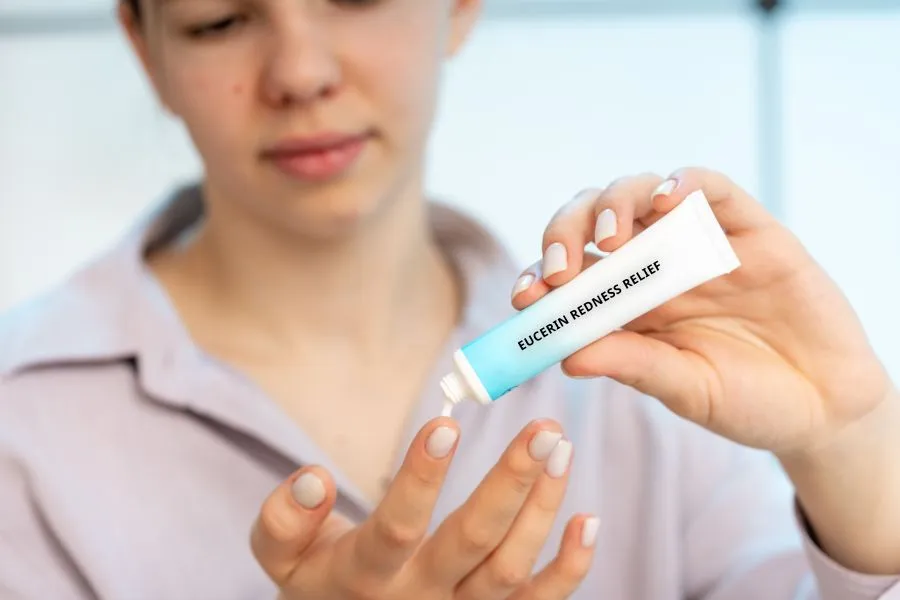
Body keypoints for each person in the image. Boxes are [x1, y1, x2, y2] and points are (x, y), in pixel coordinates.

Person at [0, 0, 897, 598]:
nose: (301, 73)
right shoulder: (23, 433)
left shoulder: (642, 377)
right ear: (143, 46)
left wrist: (852, 442)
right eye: (221, 19)